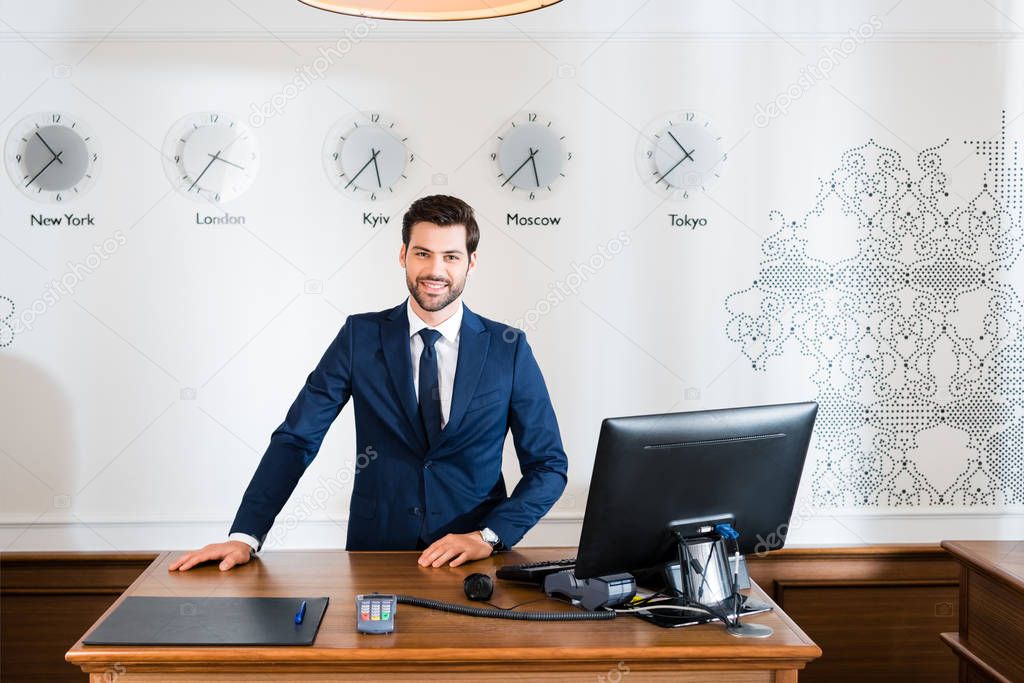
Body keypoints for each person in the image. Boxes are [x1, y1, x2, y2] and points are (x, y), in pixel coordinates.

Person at [170, 194, 568, 572]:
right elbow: (297, 438)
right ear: (403, 255)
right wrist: (245, 535)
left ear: (471, 262)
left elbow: (548, 466)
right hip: (376, 553)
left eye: (450, 256)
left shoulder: (508, 348)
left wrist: (489, 536)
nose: (435, 270)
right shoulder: (360, 337)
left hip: (476, 560)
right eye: (422, 253)